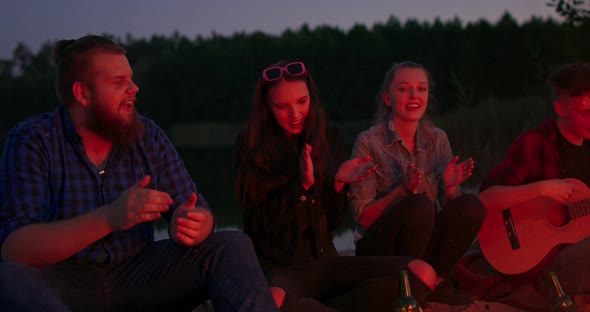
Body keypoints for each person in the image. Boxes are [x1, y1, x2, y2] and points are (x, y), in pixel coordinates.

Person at [0, 35, 279, 312]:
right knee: (9, 277)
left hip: (140, 279)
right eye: (118, 82)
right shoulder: (33, 140)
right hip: (64, 284)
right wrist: (110, 217)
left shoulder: (148, 136)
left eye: (130, 79)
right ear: (82, 94)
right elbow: (15, 249)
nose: (134, 88)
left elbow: (197, 209)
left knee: (231, 245)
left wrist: (192, 223)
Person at [235, 60, 440, 311]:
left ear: (311, 96)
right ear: (267, 107)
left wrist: (339, 184)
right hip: (281, 269)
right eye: (281, 106)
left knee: (421, 273)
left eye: (302, 102)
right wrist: (302, 187)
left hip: (327, 263)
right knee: (274, 300)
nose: (295, 114)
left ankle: (322, 306)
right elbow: (257, 226)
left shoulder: (328, 136)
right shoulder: (250, 145)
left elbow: (332, 223)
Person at [463, 61, 590, 309]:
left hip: (578, 255)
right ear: (560, 109)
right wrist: (542, 189)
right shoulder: (535, 143)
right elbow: (487, 198)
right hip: (536, 263)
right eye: (585, 112)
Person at [349, 61, 485, 284]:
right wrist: (402, 192)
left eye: (421, 88)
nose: (414, 95)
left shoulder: (438, 138)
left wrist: (450, 186)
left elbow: (453, 213)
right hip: (380, 249)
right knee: (419, 205)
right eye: (403, 89)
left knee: (471, 205)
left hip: (423, 242)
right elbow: (364, 218)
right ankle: (410, 284)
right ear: (387, 98)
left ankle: (434, 282)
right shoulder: (368, 142)